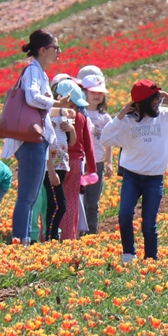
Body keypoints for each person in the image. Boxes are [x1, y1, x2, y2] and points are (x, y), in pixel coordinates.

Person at [99, 79, 168, 261]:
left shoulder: (165, 117)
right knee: (125, 214)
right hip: (132, 177)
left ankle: (151, 258)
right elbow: (105, 139)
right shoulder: (127, 122)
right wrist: (119, 117)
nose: (158, 102)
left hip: (154, 178)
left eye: (159, 98)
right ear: (141, 104)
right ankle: (128, 253)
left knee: (149, 223)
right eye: (154, 100)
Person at [2, 30, 64, 244]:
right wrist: (55, 103)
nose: (59, 52)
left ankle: (23, 240)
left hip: (37, 139)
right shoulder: (32, 71)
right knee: (27, 197)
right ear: (42, 50)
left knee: (30, 196)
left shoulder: (40, 73)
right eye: (56, 48)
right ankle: (21, 241)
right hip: (30, 141)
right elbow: (31, 97)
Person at [54, 79, 95, 242]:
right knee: (70, 201)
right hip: (75, 161)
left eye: (76, 107)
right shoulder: (81, 118)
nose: (74, 110)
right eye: (72, 105)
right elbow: (88, 145)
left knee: (56, 200)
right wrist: (91, 169)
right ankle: (68, 237)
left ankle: (52, 237)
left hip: (59, 161)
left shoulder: (52, 116)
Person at [79, 72, 112, 233]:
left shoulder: (104, 118)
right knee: (78, 199)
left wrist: (110, 162)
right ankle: (77, 231)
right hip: (79, 162)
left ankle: (91, 232)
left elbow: (109, 141)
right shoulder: (77, 113)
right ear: (84, 92)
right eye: (93, 92)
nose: (97, 96)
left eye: (100, 93)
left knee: (93, 201)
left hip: (97, 162)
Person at [43, 99, 74, 242]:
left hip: (62, 164)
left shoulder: (64, 118)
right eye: (69, 103)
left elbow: (71, 142)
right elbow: (47, 144)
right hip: (52, 167)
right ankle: (51, 237)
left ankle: (52, 237)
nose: (71, 108)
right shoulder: (50, 116)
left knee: (54, 204)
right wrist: (50, 171)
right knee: (59, 205)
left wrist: (71, 129)